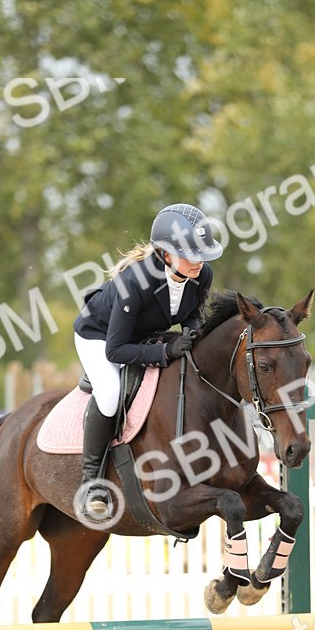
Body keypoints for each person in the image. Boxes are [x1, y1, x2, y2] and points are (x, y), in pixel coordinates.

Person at [73, 202, 223, 520]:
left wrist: (195, 337)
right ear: (165, 254)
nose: (199, 261)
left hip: (143, 334)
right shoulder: (135, 283)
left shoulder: (201, 273)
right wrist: (166, 352)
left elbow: (193, 313)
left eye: (202, 254)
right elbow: (116, 351)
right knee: (111, 394)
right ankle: (92, 485)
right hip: (99, 338)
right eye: (190, 254)